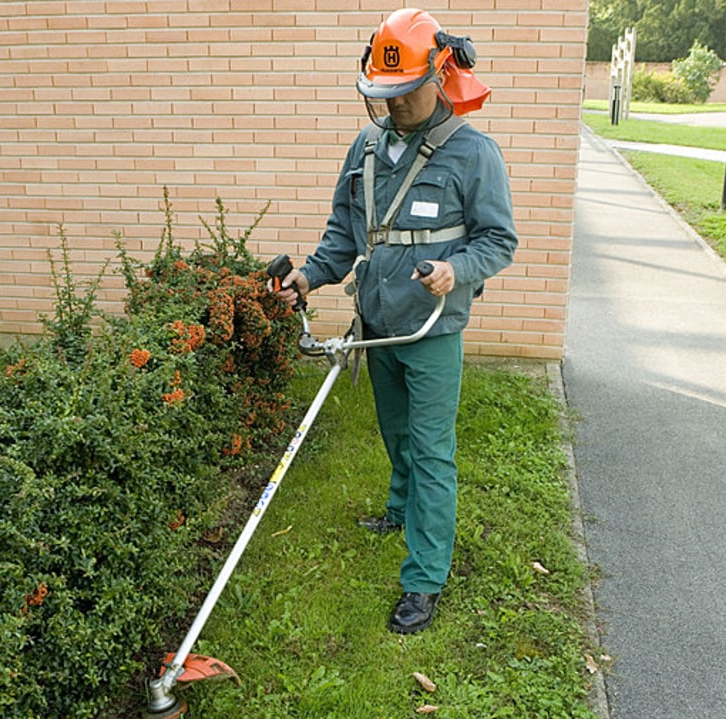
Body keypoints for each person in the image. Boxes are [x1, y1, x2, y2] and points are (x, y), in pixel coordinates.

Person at [273, 8, 517, 634]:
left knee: (433, 450)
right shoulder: (366, 148)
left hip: (431, 330)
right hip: (377, 324)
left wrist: (456, 270)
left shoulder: (473, 152)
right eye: (382, 95)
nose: (394, 106)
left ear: (438, 76)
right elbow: (345, 233)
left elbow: (498, 241)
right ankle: (398, 508)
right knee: (396, 431)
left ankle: (424, 578)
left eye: (404, 93)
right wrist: (308, 275)